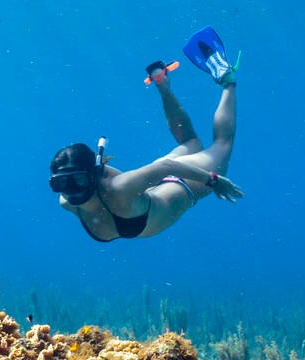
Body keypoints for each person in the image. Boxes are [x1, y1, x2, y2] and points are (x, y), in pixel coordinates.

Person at [49, 29, 243, 242]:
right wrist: (95, 170)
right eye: (61, 184)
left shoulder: (118, 188)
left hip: (182, 183)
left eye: (77, 180)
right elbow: (153, 170)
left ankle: (226, 78)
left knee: (222, 144)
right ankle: (161, 83)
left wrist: (214, 181)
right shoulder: (69, 200)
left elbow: (167, 167)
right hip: (150, 187)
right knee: (190, 141)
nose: (71, 190)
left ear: (92, 175)